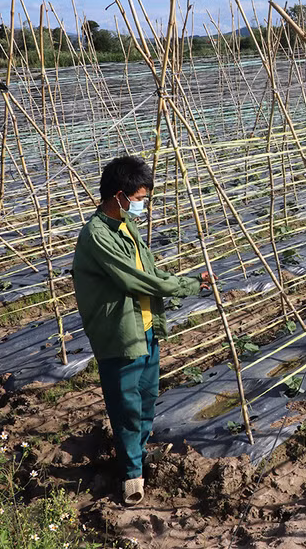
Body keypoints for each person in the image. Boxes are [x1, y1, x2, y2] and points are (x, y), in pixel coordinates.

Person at [72, 155, 213, 506]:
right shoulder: (96, 235)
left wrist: (191, 282)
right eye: (138, 199)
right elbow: (135, 279)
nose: (142, 206)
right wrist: (186, 286)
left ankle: (138, 455)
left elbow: (151, 270)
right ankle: (131, 474)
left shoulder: (126, 228)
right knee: (126, 407)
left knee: (147, 398)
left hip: (146, 328)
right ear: (118, 196)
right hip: (121, 334)